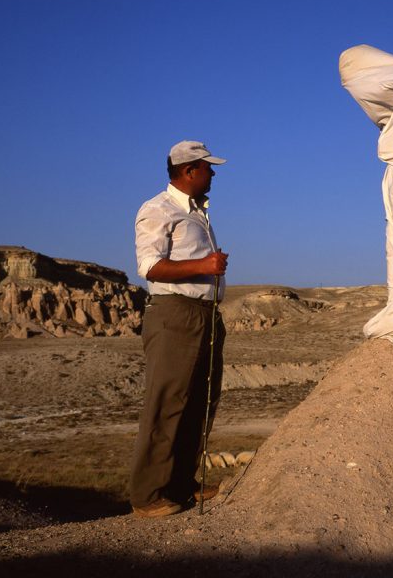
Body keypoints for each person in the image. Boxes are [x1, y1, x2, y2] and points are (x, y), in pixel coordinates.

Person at [129, 140, 229, 518]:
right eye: (207, 166)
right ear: (189, 171)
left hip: (205, 314)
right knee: (167, 401)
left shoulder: (197, 212)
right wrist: (204, 264)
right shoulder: (158, 210)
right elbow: (150, 267)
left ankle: (182, 484)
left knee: (202, 398)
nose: (213, 173)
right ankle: (148, 495)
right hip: (175, 313)